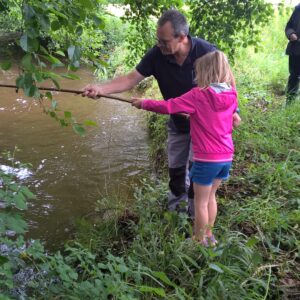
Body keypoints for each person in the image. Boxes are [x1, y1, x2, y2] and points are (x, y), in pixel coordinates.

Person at [83, 9, 239, 216]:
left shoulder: (206, 51)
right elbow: (130, 79)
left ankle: (195, 216)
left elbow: (226, 80)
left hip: (205, 130)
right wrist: (101, 89)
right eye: (158, 40)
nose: (159, 44)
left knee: (196, 172)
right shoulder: (157, 54)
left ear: (182, 37)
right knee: (175, 170)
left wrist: (234, 110)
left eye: (164, 41)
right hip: (177, 123)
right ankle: (175, 212)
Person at [131, 51, 239, 245]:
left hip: (207, 159)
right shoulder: (231, 94)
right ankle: (209, 236)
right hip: (226, 157)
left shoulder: (198, 95)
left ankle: (199, 240)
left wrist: (144, 103)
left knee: (200, 201)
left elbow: (170, 106)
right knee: (211, 197)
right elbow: (229, 119)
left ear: (204, 73)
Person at [285, 4, 300, 104]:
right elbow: (288, 26)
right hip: (296, 49)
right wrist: (291, 34)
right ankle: (289, 103)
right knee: (294, 76)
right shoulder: (299, 8)